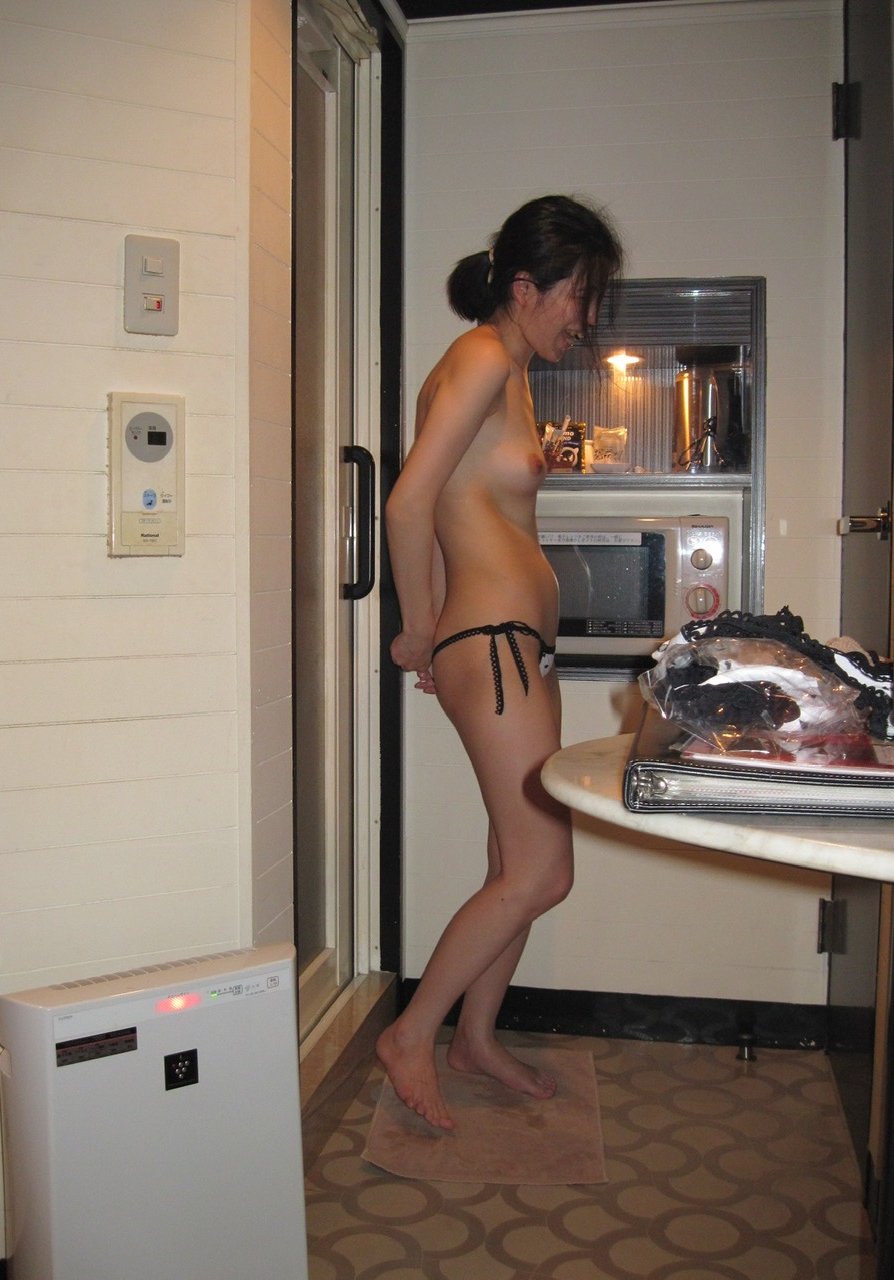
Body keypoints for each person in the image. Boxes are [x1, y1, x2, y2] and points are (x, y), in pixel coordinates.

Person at [376, 194, 624, 1132]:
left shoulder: (507, 371)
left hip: (511, 645)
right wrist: (420, 627)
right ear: (525, 287)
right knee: (542, 871)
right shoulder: (482, 358)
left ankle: (476, 1038)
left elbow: (449, 507)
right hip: (491, 644)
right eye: (578, 296)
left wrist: (436, 623)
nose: (584, 319)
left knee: (510, 857)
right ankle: (413, 1033)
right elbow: (408, 504)